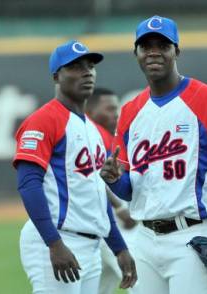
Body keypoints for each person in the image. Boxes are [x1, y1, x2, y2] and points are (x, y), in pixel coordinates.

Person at [99, 15, 207, 294]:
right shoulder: (130, 111)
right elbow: (131, 191)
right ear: (136, 53)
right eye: (145, 45)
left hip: (196, 237)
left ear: (176, 51)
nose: (153, 52)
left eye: (162, 44)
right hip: (145, 239)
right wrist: (114, 181)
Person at [13, 40, 137, 294]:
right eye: (76, 67)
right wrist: (53, 243)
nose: (87, 72)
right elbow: (28, 184)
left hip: (90, 245)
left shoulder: (94, 131)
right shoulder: (43, 120)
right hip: (57, 239)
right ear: (57, 76)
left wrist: (120, 248)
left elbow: (96, 194)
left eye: (90, 66)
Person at [85, 88, 137, 294]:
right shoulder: (92, 133)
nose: (116, 114)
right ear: (90, 109)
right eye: (109, 108)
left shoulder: (107, 136)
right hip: (109, 221)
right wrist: (119, 208)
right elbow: (92, 178)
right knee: (141, 282)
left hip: (103, 221)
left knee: (99, 287)